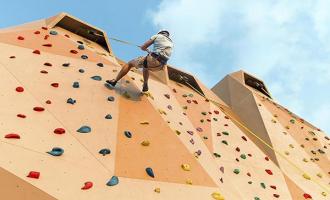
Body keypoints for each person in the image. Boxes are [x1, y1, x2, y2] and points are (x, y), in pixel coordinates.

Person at [106, 30, 174, 92]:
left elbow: (143, 47)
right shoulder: (171, 43)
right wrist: (150, 52)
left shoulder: (157, 36)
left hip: (153, 60)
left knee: (129, 64)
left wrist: (144, 48)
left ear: (160, 33)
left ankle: (114, 81)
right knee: (146, 66)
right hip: (161, 65)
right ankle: (145, 84)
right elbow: (162, 53)